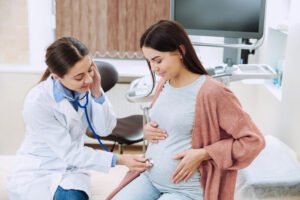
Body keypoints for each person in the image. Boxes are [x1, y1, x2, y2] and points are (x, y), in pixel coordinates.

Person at [108, 20, 265, 200]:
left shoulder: (213, 92)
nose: (153, 68)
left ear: (180, 51)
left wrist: (204, 153)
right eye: (149, 61)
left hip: (185, 190)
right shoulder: (163, 83)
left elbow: (253, 141)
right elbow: (171, 125)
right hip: (149, 177)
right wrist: (147, 131)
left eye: (158, 60)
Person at [7, 37, 151, 200]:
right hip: (40, 168)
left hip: (72, 168)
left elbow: (105, 129)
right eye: (79, 77)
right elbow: (69, 152)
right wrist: (122, 159)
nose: (88, 79)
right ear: (57, 77)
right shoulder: (37, 102)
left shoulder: (88, 89)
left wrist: (97, 93)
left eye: (90, 70)